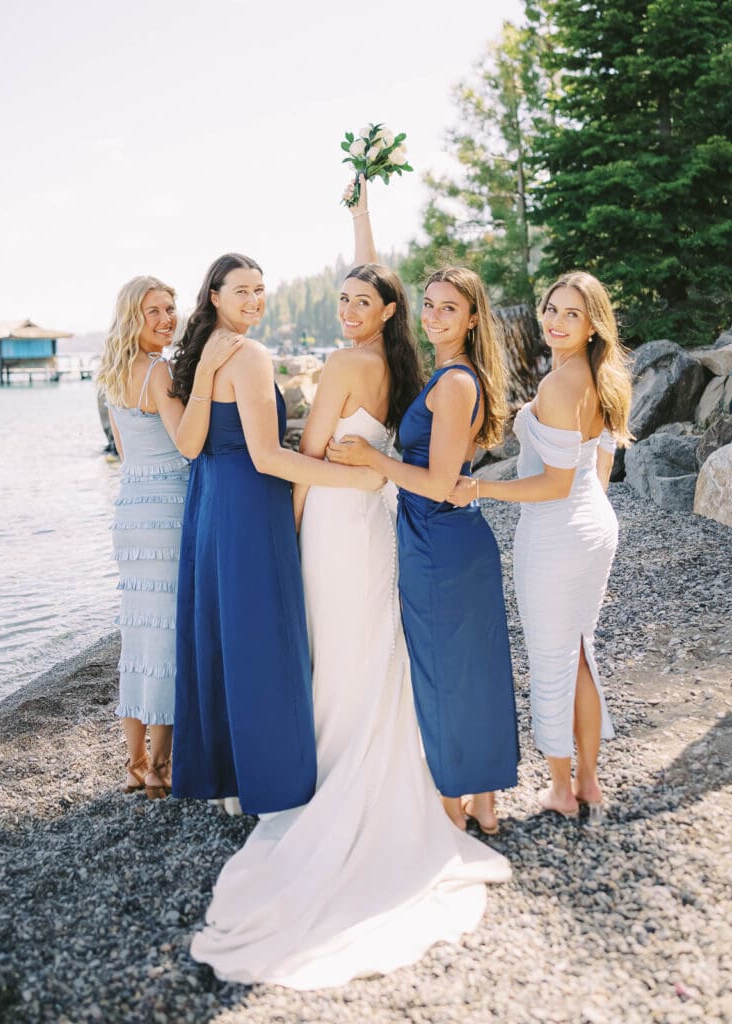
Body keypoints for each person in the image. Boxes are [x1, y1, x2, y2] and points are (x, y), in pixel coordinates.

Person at [189, 182, 511, 990]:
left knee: (332, 649)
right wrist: (362, 219)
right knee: (373, 647)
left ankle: (329, 778)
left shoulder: (341, 364)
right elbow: (372, 446)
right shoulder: (398, 368)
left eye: (359, 299)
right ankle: (379, 771)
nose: (344, 309)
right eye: (339, 299)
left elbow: (315, 460)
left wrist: (288, 532)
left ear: (383, 310)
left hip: (335, 523)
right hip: (379, 527)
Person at [168, 252, 383, 812]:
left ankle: (232, 782)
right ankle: (273, 781)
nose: (254, 301)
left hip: (210, 503)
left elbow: (189, 448)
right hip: (247, 504)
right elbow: (267, 457)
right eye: (241, 290)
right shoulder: (250, 354)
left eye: (260, 290)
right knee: (263, 636)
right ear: (213, 295)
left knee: (225, 632)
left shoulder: (206, 353)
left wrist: (207, 373)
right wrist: (354, 479)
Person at [329, 254, 520, 833]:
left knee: (442, 672)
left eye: (449, 309)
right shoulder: (448, 376)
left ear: (470, 319)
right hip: (444, 538)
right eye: (430, 305)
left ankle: (452, 808)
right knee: (473, 669)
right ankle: (482, 802)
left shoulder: (457, 382)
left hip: (438, 540)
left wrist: (374, 459)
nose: (435, 316)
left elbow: (438, 483)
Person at [449, 271, 632, 823]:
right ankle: (590, 782)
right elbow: (598, 465)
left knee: (552, 659)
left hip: (557, 533)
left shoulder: (561, 384)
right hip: (592, 523)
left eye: (571, 314)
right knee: (578, 651)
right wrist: (583, 518)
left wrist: (479, 487)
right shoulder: (600, 376)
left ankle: (560, 787)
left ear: (592, 323)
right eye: (551, 309)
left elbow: (553, 483)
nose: (554, 321)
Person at [96, 275, 240, 798]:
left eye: (170, 309)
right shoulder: (158, 371)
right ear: (133, 316)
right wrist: (204, 381)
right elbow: (186, 443)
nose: (166, 320)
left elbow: (124, 450)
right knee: (167, 638)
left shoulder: (110, 374)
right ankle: (159, 764)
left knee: (139, 635)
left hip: (131, 512)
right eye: (154, 311)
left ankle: (136, 763)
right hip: (165, 513)